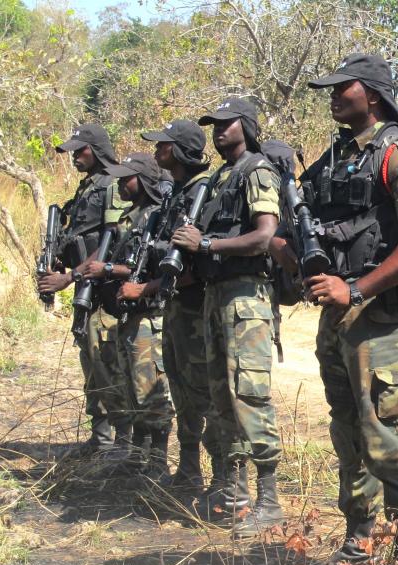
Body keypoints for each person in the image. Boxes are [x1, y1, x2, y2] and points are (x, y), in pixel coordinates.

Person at [277, 54, 398, 565]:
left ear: (371, 94)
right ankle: (360, 541)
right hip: (337, 319)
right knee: (348, 434)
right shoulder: (333, 157)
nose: (331, 96)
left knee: (388, 437)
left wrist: (356, 289)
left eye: (340, 88)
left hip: (383, 318)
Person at [171, 97, 284, 538]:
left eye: (226, 122)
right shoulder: (220, 177)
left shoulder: (256, 170)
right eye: (213, 124)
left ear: (247, 126)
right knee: (222, 398)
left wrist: (207, 245)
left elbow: (264, 235)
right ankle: (233, 494)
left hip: (245, 299)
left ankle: (269, 502)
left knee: (250, 397)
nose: (218, 129)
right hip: (215, 297)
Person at [38, 124, 132, 459]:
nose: (75, 156)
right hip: (85, 288)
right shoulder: (86, 188)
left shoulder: (112, 185)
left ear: (97, 149)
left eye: (81, 150)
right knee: (90, 360)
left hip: (104, 289)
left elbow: (113, 239)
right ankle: (101, 434)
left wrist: (70, 277)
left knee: (107, 360)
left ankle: (124, 439)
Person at [141, 119, 218, 493]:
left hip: (197, 307)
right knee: (182, 390)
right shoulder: (175, 192)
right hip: (175, 307)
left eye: (164, 145)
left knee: (207, 392)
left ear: (182, 150)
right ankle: (189, 469)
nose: (157, 151)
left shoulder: (204, 190)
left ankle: (224, 480)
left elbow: (203, 255)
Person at [92, 153, 176, 481]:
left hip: (149, 316)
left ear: (142, 180)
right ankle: (138, 456)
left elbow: (159, 266)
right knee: (132, 389)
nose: (120, 183)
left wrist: (112, 270)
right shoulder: (133, 216)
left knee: (152, 389)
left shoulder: (157, 216)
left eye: (126, 178)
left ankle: (157, 461)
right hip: (130, 317)